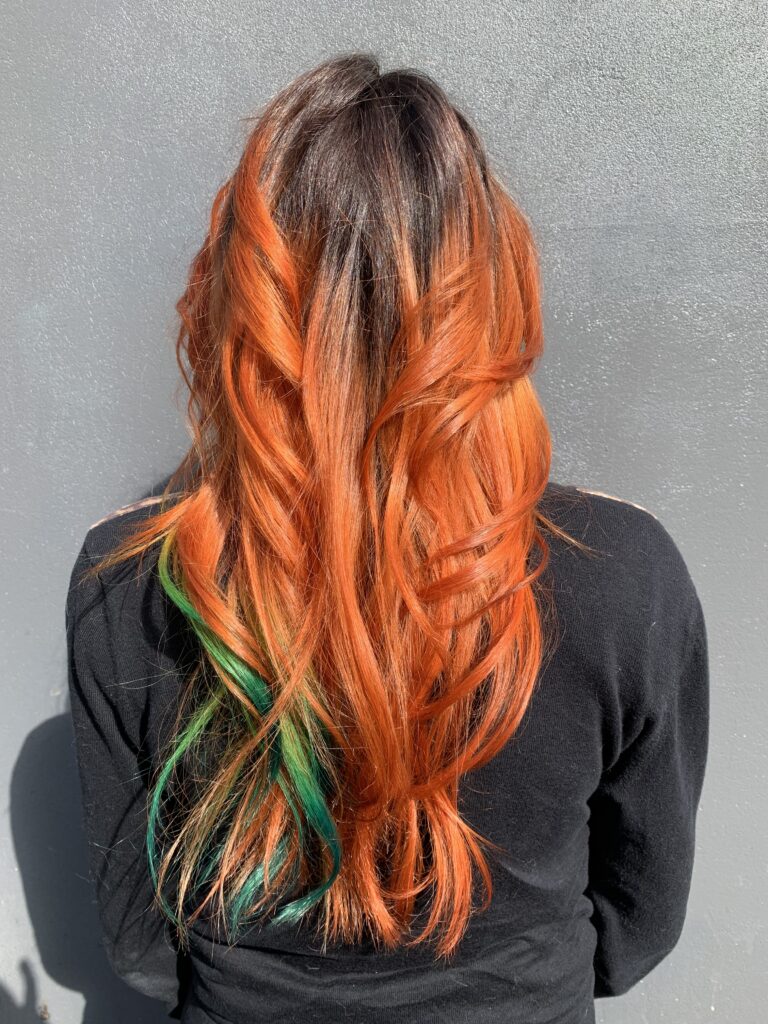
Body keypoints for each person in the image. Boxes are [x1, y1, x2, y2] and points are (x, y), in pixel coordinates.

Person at [65, 53, 709, 1024]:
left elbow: (139, 947)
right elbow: (639, 922)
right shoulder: (626, 575)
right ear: (494, 291)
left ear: (238, 301)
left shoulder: (128, 583)